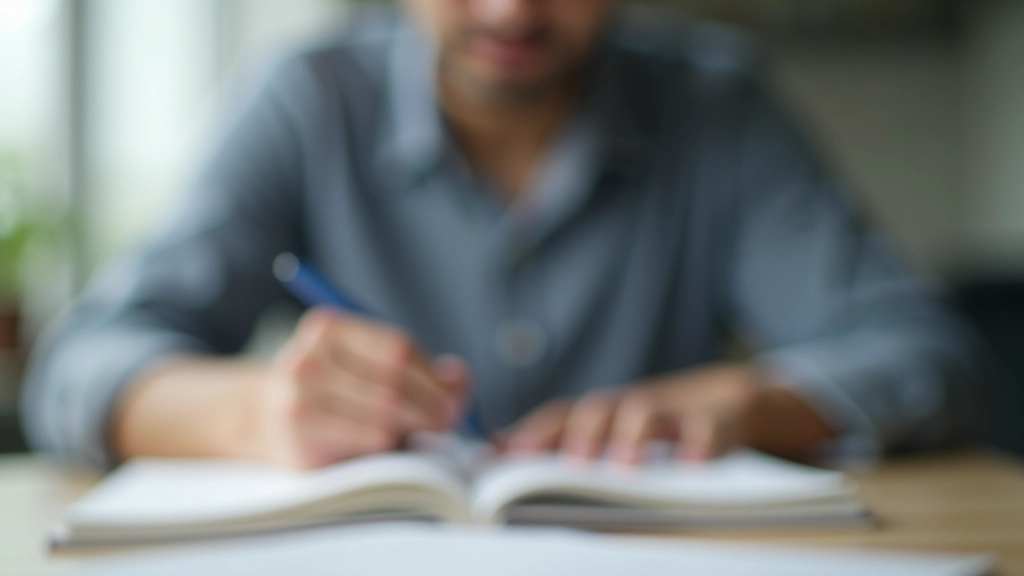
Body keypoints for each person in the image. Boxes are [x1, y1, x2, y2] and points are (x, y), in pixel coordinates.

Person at [23, 0, 981, 470]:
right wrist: (256, 413)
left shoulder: (716, 106)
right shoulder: (309, 102)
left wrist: (750, 400)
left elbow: (930, 356)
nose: (511, 10)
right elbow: (78, 367)